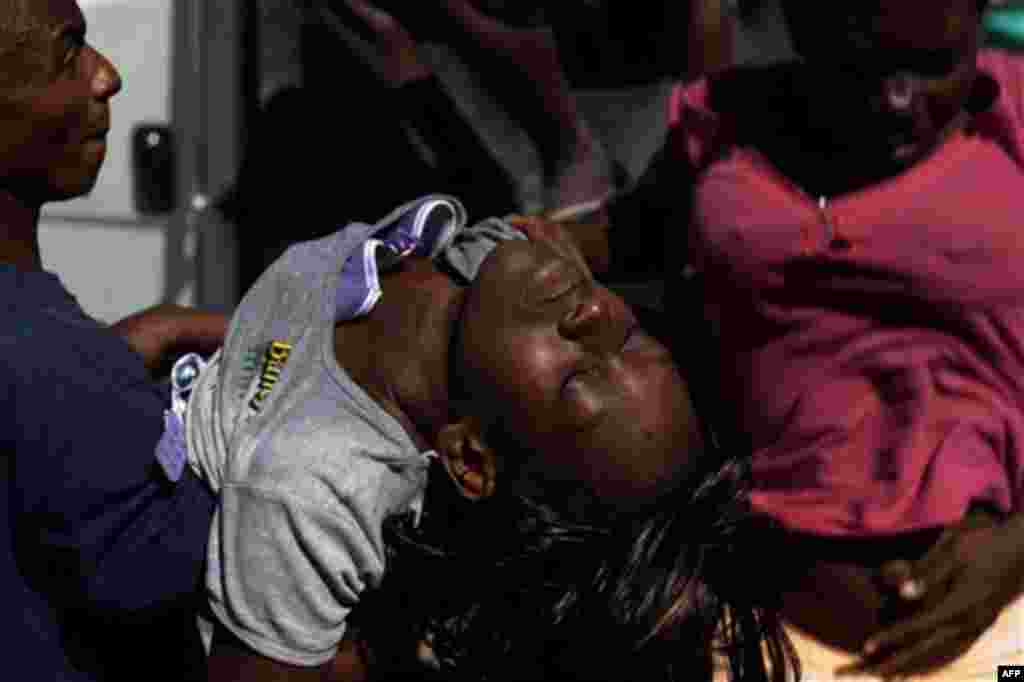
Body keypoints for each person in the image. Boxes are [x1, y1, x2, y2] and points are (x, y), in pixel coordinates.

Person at [541, 0, 1024, 678]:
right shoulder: (726, 126)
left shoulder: (1015, 119)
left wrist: (1019, 548)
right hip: (761, 623)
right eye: (860, 67)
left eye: (935, 65)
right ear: (803, 29)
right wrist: (447, 251)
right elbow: (620, 238)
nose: (896, 100)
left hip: (1004, 629)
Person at [181, 195, 794, 680]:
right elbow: (283, 343)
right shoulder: (476, 272)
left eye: (577, 374)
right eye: (631, 335)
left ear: (470, 459)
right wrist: (180, 329)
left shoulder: (313, 491)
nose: (594, 314)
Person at [0, 1, 230, 681]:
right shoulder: (41, 352)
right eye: (69, 53)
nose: (108, 77)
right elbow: (147, 574)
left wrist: (110, 364)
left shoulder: (50, 352)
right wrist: (233, 430)